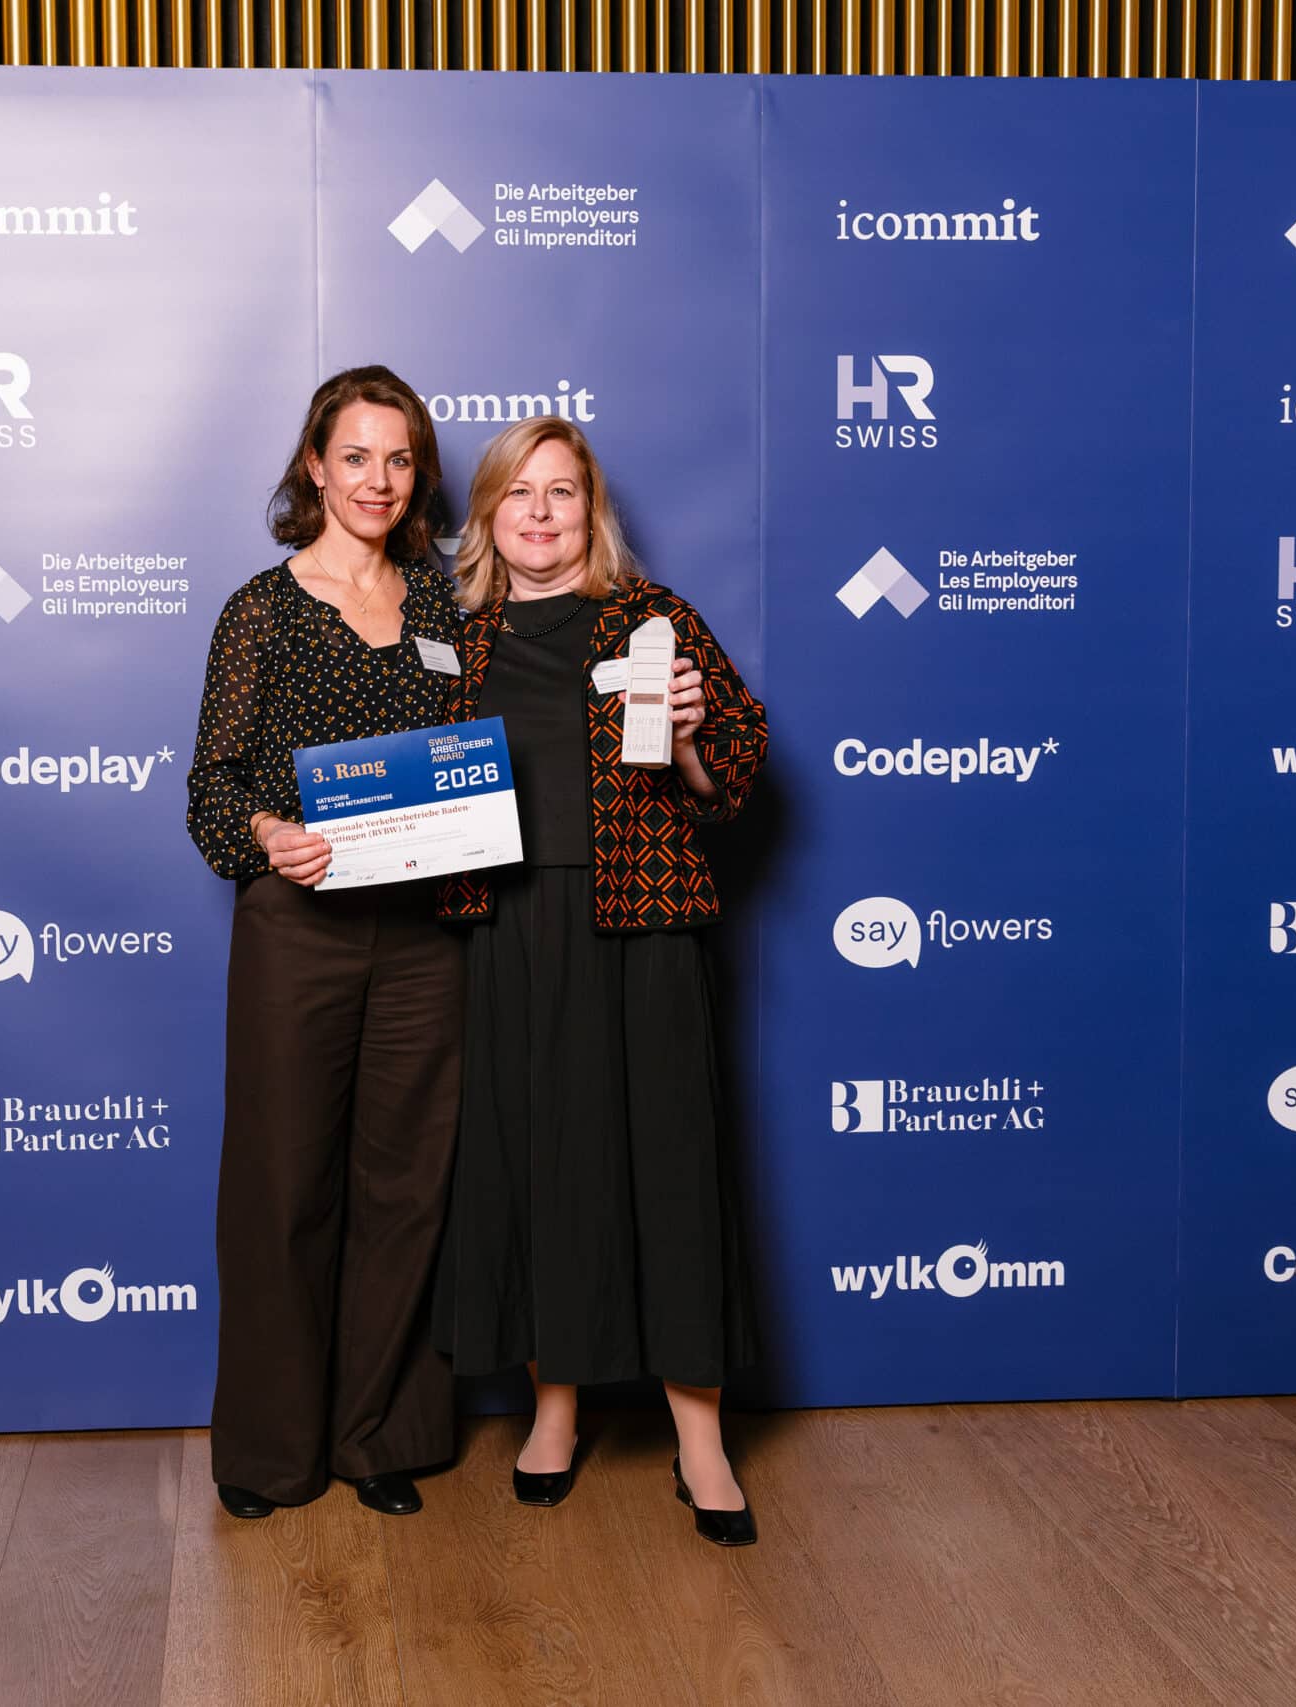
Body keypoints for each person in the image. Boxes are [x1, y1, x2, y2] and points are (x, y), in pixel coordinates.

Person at [430, 417, 769, 1547]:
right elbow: (417, 789)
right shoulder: (459, 642)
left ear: (591, 511)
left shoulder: (653, 618)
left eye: (562, 492)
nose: (540, 512)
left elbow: (738, 771)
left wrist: (691, 738)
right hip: (511, 927)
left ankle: (699, 1438)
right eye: (517, 493)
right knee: (541, 1166)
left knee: (671, 1167)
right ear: (487, 516)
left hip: (645, 922)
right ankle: (554, 1411)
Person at [185, 366, 467, 1520]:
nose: (377, 481)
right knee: (281, 1185)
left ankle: (377, 1436)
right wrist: (264, 830)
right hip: (298, 928)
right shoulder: (262, 608)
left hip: (426, 938)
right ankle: (268, 1451)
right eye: (355, 457)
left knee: (407, 1189)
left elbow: (480, 756)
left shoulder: (444, 606)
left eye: (398, 460)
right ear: (315, 465)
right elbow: (211, 786)